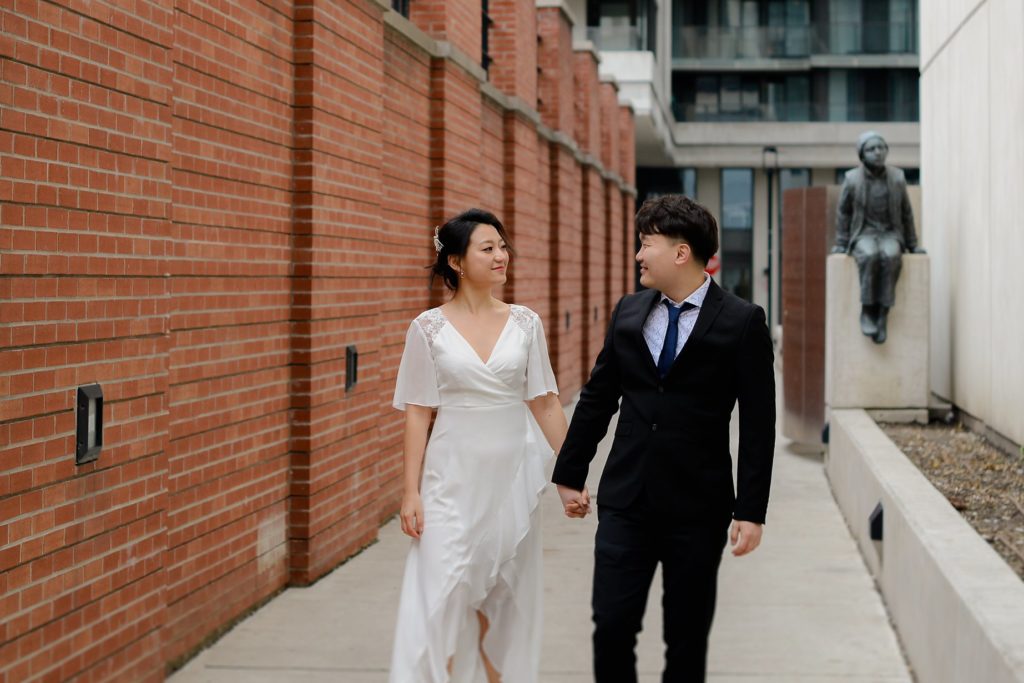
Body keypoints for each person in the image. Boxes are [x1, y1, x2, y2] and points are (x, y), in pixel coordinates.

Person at [552, 194, 776, 682]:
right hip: (626, 501)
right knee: (610, 627)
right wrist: (570, 473)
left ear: (681, 253)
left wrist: (751, 510)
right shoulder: (629, 312)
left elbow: (759, 424)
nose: (638, 255)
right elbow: (597, 398)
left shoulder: (742, 322)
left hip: (698, 508)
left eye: (645, 243)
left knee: (687, 639)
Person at [388, 208, 569, 683]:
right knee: (440, 594)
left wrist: (572, 473)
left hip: (511, 476)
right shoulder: (427, 328)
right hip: (450, 477)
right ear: (455, 262)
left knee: (502, 601)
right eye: (487, 248)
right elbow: (418, 412)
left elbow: (546, 403)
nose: (501, 256)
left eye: (503, 246)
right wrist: (411, 491)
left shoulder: (526, 323)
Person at [833, 131, 925, 344]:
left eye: (881, 148)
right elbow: (843, 212)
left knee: (891, 256)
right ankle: (867, 309)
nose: (877, 152)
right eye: (871, 149)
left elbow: (906, 212)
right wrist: (841, 242)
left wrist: (912, 244)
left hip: (889, 232)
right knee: (870, 256)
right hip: (863, 233)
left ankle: (883, 312)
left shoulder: (897, 177)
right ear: (862, 155)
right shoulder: (852, 179)